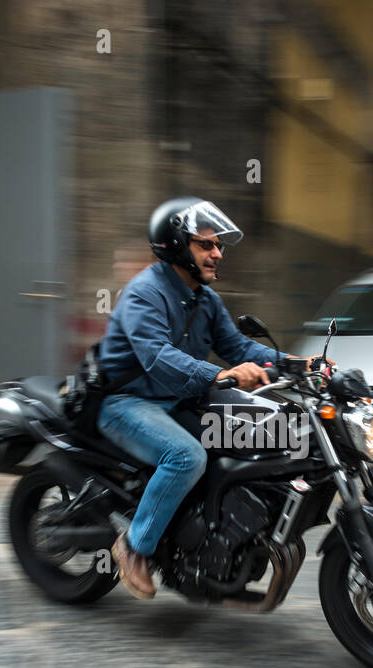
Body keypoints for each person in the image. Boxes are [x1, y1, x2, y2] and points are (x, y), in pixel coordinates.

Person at [98, 197, 311, 600]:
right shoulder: (145, 293)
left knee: (267, 430)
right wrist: (219, 374)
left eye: (218, 246)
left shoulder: (206, 300)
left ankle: (218, 533)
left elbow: (240, 348)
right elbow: (157, 356)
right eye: (205, 245)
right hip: (128, 402)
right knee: (187, 456)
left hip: (179, 400)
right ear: (177, 245)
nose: (216, 254)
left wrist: (299, 364)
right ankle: (134, 547)